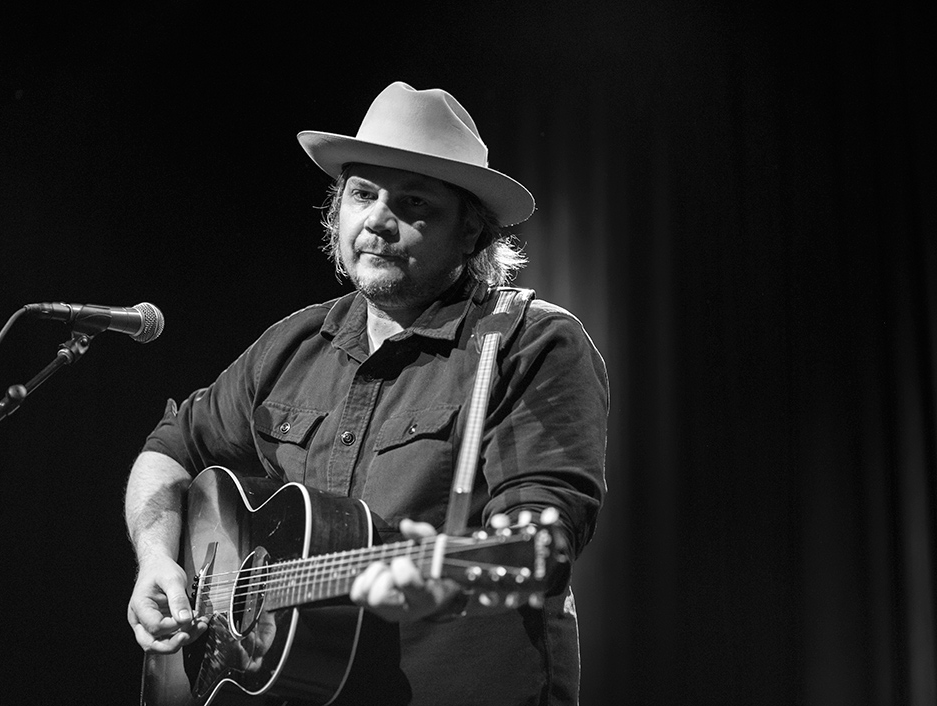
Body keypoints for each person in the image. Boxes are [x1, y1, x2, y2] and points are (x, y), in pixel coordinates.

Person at [124, 81, 609, 705]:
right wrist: (157, 560)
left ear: (470, 232)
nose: (377, 219)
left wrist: (450, 579)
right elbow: (169, 451)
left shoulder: (529, 343)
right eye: (362, 194)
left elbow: (540, 536)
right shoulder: (294, 344)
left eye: (413, 203)